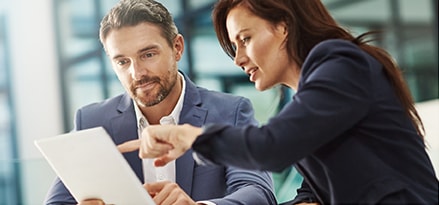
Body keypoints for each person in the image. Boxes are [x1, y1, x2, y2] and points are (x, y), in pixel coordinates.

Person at [130, 0, 439, 204]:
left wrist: (188, 135)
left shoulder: (342, 64)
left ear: (284, 25)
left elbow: (271, 146)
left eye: (245, 39)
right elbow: (311, 196)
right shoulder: (312, 98)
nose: (238, 59)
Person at [43, 0, 278, 204]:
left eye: (148, 54)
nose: (137, 73)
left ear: (177, 48)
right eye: (123, 62)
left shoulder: (230, 111)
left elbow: (258, 191)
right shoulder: (91, 121)